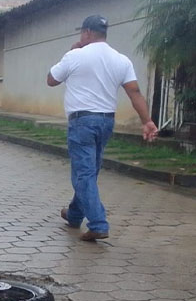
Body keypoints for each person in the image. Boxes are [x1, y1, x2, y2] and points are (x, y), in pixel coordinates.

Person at [47, 15, 158, 241]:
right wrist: (147, 120)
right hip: (106, 121)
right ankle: (75, 214)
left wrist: (70, 53)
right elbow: (134, 92)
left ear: (87, 32)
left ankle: (98, 223)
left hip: (82, 122)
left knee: (84, 173)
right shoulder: (121, 60)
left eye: (81, 33)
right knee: (90, 170)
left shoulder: (75, 55)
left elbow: (51, 79)